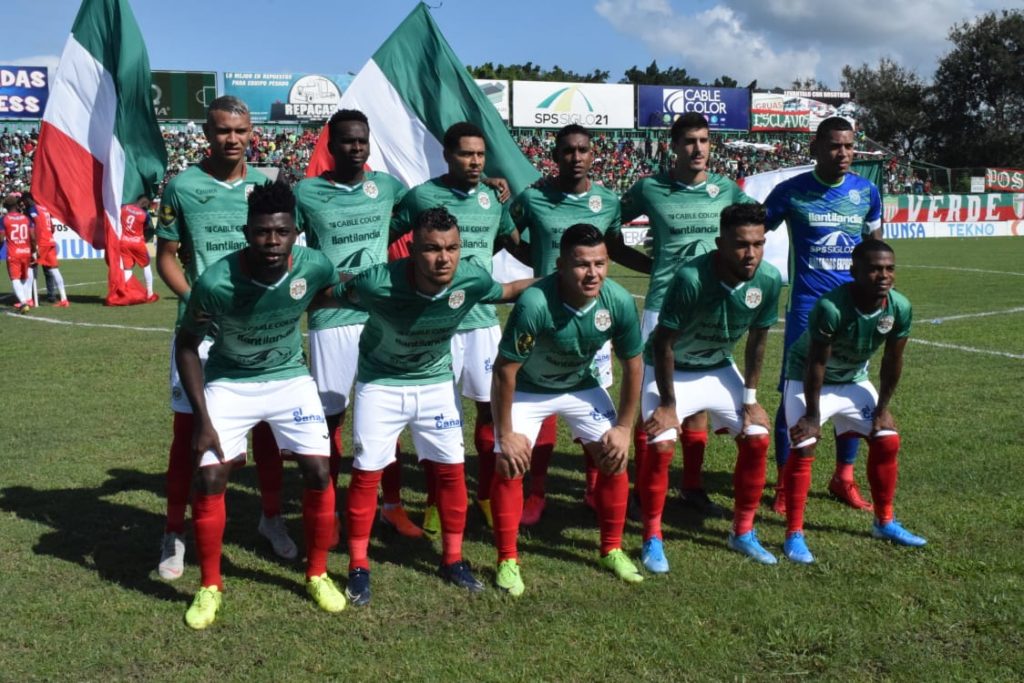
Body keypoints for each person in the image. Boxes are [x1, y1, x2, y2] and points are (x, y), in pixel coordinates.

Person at [328, 206, 533, 606]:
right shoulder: (377, 282)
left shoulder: (470, 278)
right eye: (432, 249)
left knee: (452, 472)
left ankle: (453, 559)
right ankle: (358, 565)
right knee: (367, 473)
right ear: (412, 250)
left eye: (452, 248)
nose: (444, 259)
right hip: (381, 384)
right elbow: (328, 295)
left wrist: (558, 279)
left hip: (437, 383)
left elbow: (507, 292)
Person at [176, 182, 344, 629]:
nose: (272, 242)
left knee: (319, 471)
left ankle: (317, 573)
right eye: (262, 233)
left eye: (282, 232)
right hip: (230, 383)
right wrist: (202, 419)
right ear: (246, 231)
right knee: (210, 477)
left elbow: (328, 290)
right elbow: (187, 347)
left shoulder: (313, 265)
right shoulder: (216, 281)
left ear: (295, 232)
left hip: (289, 378)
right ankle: (210, 585)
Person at [154, 96, 289, 581]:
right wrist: (196, 301)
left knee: (268, 429)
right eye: (222, 131)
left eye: (240, 130)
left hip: (260, 331)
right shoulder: (183, 186)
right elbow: (165, 256)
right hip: (202, 333)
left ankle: (270, 518)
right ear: (206, 134)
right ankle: (174, 530)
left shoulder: (269, 184)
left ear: (252, 131)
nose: (232, 139)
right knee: (189, 433)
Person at [490, 223, 644, 597]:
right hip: (529, 389)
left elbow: (634, 365)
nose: (593, 274)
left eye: (600, 263)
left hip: (580, 386)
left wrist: (624, 428)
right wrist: (505, 434)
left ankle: (611, 549)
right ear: (560, 264)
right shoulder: (535, 303)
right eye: (581, 264)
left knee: (614, 456)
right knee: (509, 463)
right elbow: (504, 371)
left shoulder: (618, 301)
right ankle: (507, 559)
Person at [620, 112, 757, 518]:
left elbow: (756, 226)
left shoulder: (727, 190)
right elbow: (610, 229)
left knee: (695, 402)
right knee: (654, 400)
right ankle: (643, 490)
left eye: (704, 141)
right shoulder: (650, 189)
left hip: (711, 306)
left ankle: (692, 488)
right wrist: (648, 266)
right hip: (664, 304)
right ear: (673, 146)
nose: (698, 149)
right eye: (689, 142)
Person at [508, 124, 646, 525]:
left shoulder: (606, 200)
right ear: (555, 156)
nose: (576, 157)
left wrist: (656, 266)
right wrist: (539, 271)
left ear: (592, 154)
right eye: (567, 150)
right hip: (546, 314)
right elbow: (508, 232)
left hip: (591, 316)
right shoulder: (533, 197)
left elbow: (615, 247)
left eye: (583, 149)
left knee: (590, 399)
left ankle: (594, 489)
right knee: (543, 402)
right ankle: (536, 493)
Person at [294, 109, 420, 538]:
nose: (356, 147)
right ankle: (328, 512)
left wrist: (489, 184)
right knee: (330, 420)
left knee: (388, 416)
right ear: (331, 147)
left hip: (380, 317)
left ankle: (392, 505)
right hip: (330, 318)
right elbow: (277, 240)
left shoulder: (385, 187)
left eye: (362, 140)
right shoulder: (306, 192)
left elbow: (425, 209)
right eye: (348, 141)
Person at [392, 121, 518, 534]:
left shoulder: (491, 197)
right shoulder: (422, 196)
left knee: (490, 411)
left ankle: (483, 494)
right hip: (435, 323)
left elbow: (503, 240)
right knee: (435, 417)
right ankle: (433, 500)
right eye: (466, 154)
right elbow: (387, 235)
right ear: (447, 155)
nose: (475, 161)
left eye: (480, 154)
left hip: (481, 322)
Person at [640, 204, 782, 572]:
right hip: (670, 369)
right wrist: (669, 405)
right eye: (740, 244)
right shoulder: (691, 279)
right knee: (660, 441)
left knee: (757, 435)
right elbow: (662, 344)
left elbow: (757, 343)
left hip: (718, 366)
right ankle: (653, 537)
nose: (750, 253)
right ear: (720, 243)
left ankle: (743, 531)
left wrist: (751, 400)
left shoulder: (768, 279)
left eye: (758, 244)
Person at [765, 116, 882, 514]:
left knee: (850, 388)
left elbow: (875, 249)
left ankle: (843, 478)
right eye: (835, 146)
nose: (844, 153)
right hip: (806, 310)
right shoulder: (791, 192)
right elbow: (752, 233)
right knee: (793, 397)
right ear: (815, 148)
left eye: (849, 146)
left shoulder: (867, 192)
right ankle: (785, 481)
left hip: (854, 309)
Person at [781, 240, 926, 564]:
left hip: (854, 380)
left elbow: (892, 361)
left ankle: (884, 522)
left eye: (889, 269)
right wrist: (812, 417)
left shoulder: (899, 307)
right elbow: (815, 364)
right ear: (854, 272)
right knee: (804, 444)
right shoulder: (831, 307)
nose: (883, 275)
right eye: (874, 269)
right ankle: (794, 534)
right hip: (809, 380)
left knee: (887, 440)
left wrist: (882, 408)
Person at [23, 193, 69, 306]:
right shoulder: (44, 209)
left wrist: (35, 243)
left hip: (41, 243)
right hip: (50, 241)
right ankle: (64, 299)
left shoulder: (31, 209)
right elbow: (52, 228)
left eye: (23, 201)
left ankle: (29, 299)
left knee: (30, 267)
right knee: (54, 270)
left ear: (28, 200)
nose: (23, 204)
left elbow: (32, 228)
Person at [120, 195, 158, 302]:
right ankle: (150, 293)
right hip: (137, 242)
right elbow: (149, 228)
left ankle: (125, 293)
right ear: (145, 203)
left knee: (127, 268)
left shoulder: (124, 208)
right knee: (146, 266)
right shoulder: (144, 215)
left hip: (123, 241)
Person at [1, 195, 35, 311]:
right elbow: (32, 237)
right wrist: (34, 250)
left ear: (6, 207)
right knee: (24, 277)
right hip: (26, 252)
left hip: (13, 253)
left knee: (15, 278)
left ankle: (23, 302)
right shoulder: (26, 218)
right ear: (16, 205)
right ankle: (26, 300)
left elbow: (1, 238)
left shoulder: (4, 219)